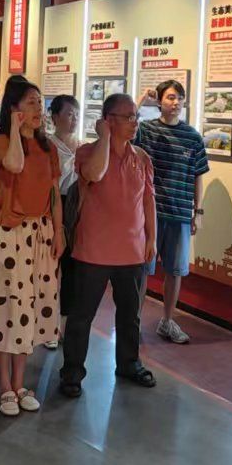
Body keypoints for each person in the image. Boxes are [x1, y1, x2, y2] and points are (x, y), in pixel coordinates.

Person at [0, 76, 65, 416]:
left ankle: (19, 381)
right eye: (30, 102)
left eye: (40, 102)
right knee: (6, 307)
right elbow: (13, 165)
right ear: (14, 108)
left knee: (31, 307)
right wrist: (15, 128)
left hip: (41, 232)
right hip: (9, 232)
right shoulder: (1, 141)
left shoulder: (49, 147)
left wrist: (59, 231)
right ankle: (4, 385)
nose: (38, 108)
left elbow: (55, 194)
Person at [59, 93, 159, 396]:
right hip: (93, 250)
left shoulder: (141, 158)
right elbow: (94, 174)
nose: (134, 122)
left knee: (130, 314)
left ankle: (129, 363)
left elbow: (148, 201)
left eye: (135, 116)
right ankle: (72, 373)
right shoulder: (88, 153)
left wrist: (152, 238)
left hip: (132, 250)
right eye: (127, 117)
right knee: (81, 316)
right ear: (107, 120)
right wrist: (104, 138)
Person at [135, 78, 208, 344]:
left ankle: (167, 321)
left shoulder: (193, 137)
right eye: (170, 97)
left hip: (179, 211)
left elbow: (198, 175)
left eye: (179, 98)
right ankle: (134, 321)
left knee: (175, 270)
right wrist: (141, 99)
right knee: (142, 269)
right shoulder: (147, 130)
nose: (176, 103)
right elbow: (127, 126)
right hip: (149, 212)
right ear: (159, 101)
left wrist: (198, 211)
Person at [48, 93, 82, 345]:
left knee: (71, 269)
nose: (74, 119)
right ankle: (47, 325)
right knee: (49, 269)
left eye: (77, 114)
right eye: (69, 114)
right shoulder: (47, 145)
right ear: (55, 117)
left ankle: (65, 323)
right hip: (50, 206)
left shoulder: (83, 147)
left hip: (77, 210)